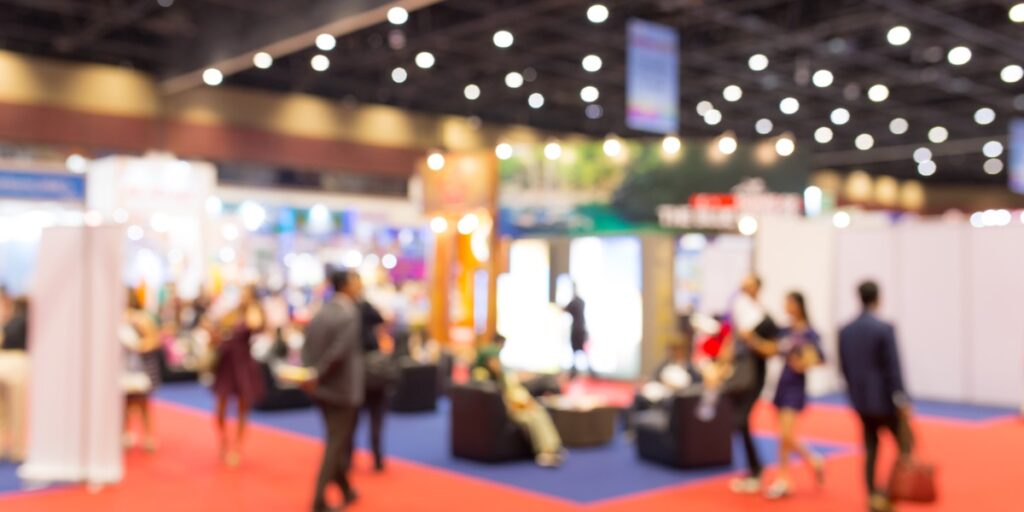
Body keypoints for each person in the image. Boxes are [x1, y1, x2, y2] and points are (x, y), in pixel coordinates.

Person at [839, 281, 913, 512]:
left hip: (860, 401)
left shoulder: (846, 330)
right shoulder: (884, 328)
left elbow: (844, 367)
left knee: (871, 448)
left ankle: (873, 496)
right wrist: (901, 398)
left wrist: (854, 394)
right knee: (906, 445)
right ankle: (890, 495)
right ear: (878, 298)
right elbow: (893, 367)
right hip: (884, 402)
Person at [303, 270, 364, 512]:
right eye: (356, 282)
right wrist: (319, 372)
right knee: (336, 444)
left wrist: (312, 374)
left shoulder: (321, 312)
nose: (359, 286)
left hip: (323, 389)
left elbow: (308, 346)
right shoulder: (349, 313)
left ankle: (346, 489)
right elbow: (339, 352)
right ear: (346, 286)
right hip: (342, 388)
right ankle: (318, 499)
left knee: (334, 439)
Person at [762, 292, 825, 499]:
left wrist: (805, 362)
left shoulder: (809, 332)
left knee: (786, 435)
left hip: (796, 386)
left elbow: (820, 358)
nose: (786, 306)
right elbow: (773, 349)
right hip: (782, 382)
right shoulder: (785, 330)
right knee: (782, 435)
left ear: (798, 305)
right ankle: (795, 470)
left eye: (789, 302)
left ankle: (786, 476)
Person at [725, 274, 777, 494]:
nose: (744, 288)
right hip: (744, 372)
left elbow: (770, 347)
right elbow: (734, 339)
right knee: (740, 421)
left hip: (754, 374)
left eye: (748, 284)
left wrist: (752, 340)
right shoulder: (742, 309)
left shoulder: (762, 315)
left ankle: (756, 469)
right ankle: (754, 468)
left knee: (742, 419)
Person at [474, 344, 564, 467]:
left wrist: (525, 402)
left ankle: (553, 447)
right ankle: (544, 452)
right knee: (532, 419)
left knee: (539, 412)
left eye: (497, 360)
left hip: (518, 405)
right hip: (506, 411)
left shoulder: (503, 374)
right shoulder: (482, 376)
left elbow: (515, 390)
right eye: (493, 360)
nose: (496, 363)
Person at [211, 284, 267, 467]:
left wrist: (251, 307)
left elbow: (256, 325)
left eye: (246, 293)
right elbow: (219, 328)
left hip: (242, 364)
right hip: (226, 362)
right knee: (220, 406)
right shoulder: (232, 312)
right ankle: (224, 441)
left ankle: (237, 446)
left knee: (243, 407)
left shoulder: (253, 312)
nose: (242, 296)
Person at [352, 297, 391, 472]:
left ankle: (347, 458)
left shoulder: (350, 315)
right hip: (373, 378)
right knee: (375, 419)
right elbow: (381, 319)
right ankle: (377, 458)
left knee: (352, 421)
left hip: (357, 377)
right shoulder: (367, 313)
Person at [121, 291, 162, 452]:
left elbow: (154, 340)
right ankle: (125, 434)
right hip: (124, 367)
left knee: (143, 403)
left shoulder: (142, 318)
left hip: (141, 367)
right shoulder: (120, 317)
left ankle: (148, 436)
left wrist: (137, 346)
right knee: (124, 404)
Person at [0, 297, 30, 462]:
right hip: (14, 365)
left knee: (10, 410)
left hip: (10, 363)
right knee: (14, 410)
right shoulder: (22, 321)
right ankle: (16, 448)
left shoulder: (14, 321)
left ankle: (11, 448)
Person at [562, 283, 594, 379]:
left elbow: (564, 309)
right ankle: (577, 372)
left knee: (578, 352)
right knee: (579, 353)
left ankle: (575, 372)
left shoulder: (574, 302)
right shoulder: (580, 301)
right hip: (581, 329)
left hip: (577, 330)